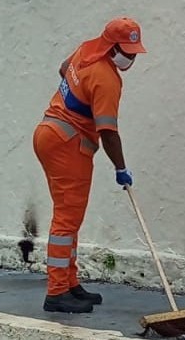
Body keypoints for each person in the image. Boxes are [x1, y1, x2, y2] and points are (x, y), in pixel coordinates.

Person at [33, 16, 146, 314]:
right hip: (69, 143)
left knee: (70, 215)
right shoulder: (107, 78)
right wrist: (120, 167)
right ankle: (57, 291)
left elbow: (62, 68)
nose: (132, 56)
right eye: (128, 51)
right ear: (113, 47)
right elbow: (108, 131)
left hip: (49, 132)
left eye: (134, 51)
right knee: (67, 219)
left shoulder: (86, 49)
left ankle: (70, 283)